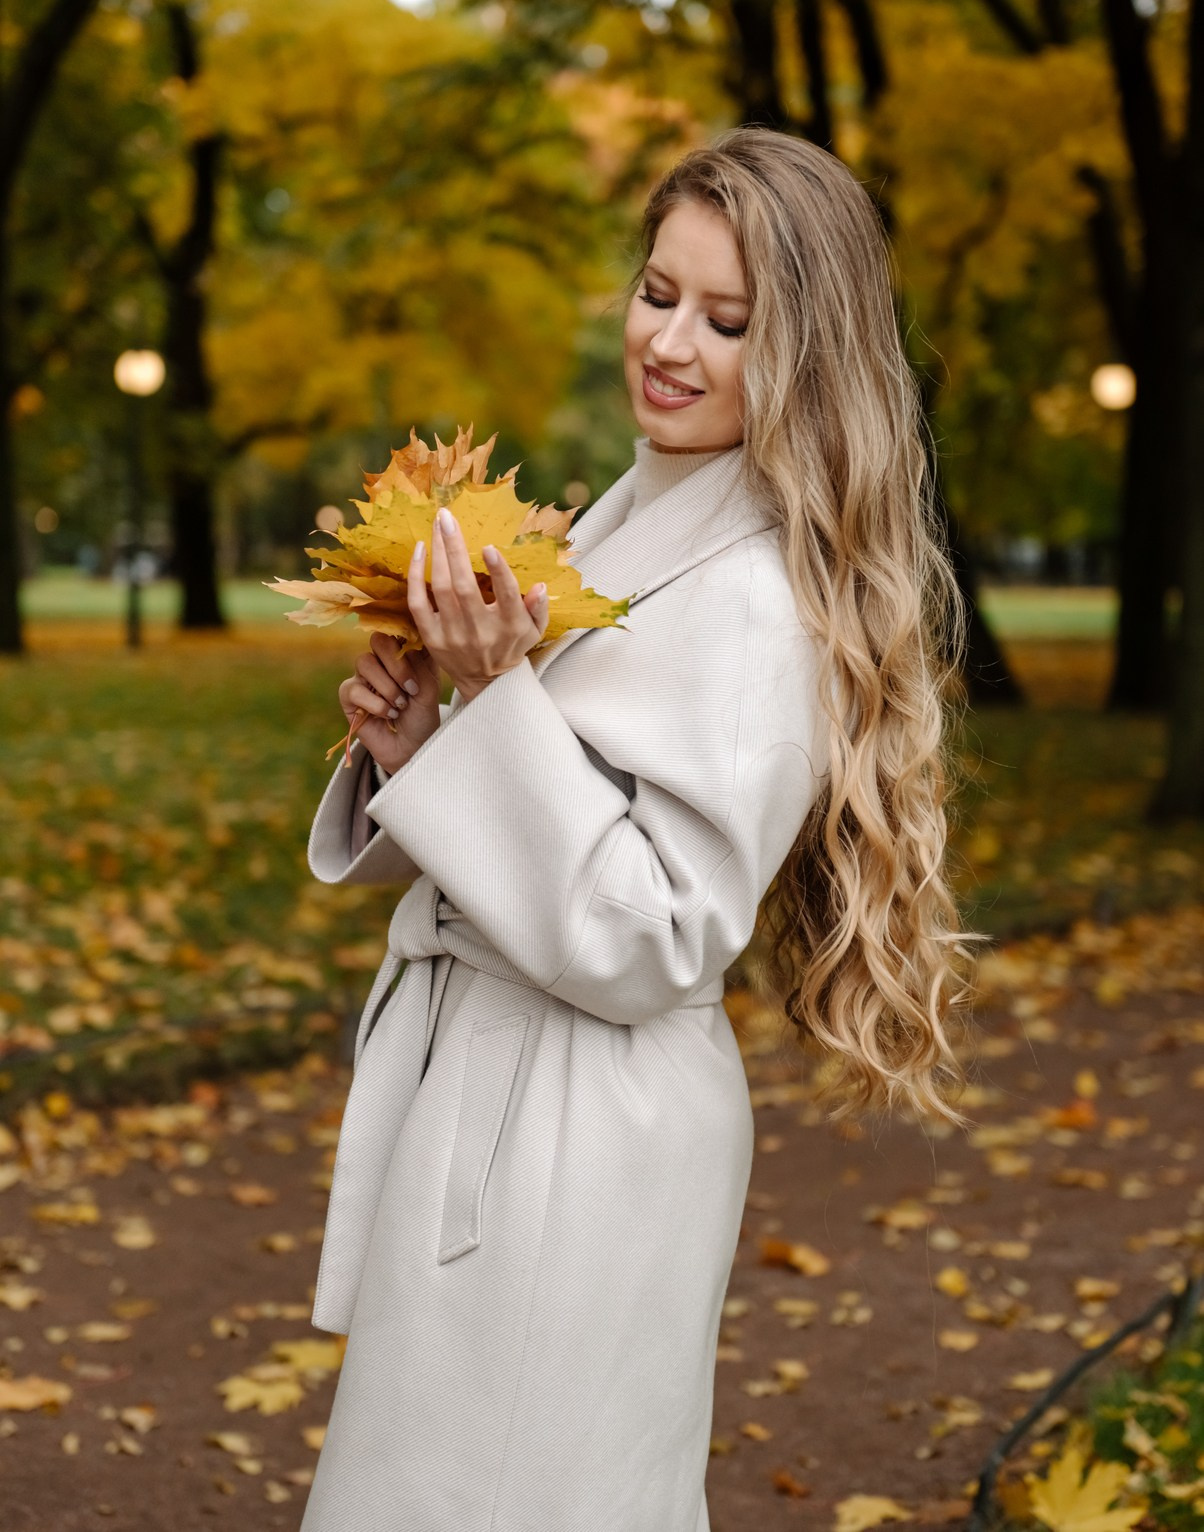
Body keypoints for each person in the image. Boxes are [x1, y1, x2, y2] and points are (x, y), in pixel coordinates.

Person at [299, 127, 969, 1532]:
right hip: (513, 1085)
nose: (669, 342)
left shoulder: (758, 593)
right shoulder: (649, 503)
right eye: (658, 291)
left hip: (577, 1125)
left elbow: (654, 934)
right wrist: (424, 749)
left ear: (803, 353)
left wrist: (496, 688)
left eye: (728, 321)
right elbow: (573, 823)